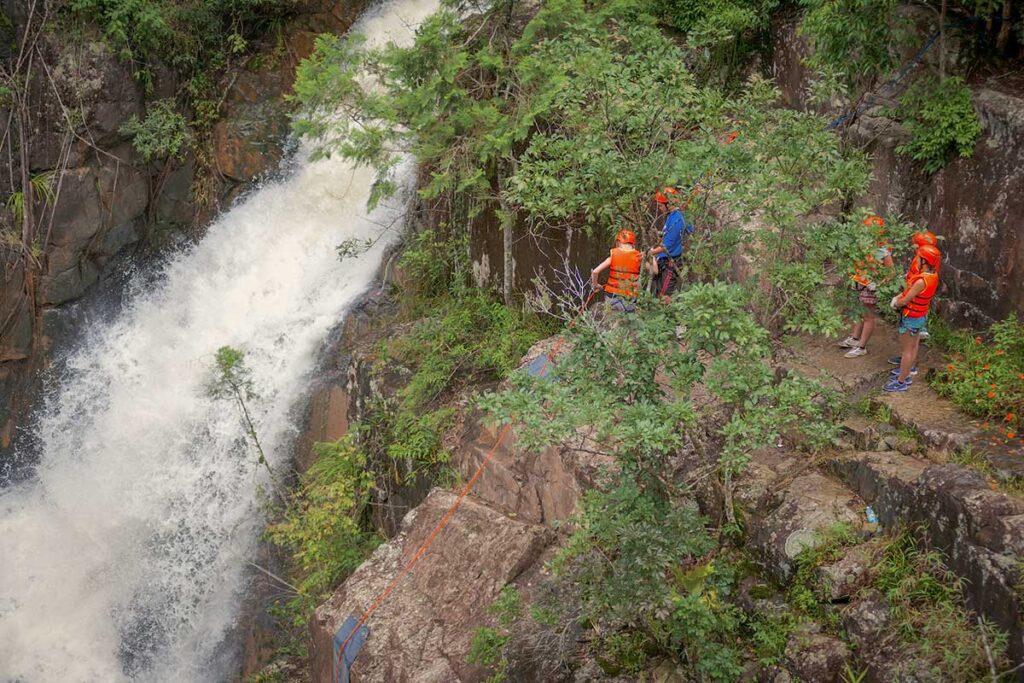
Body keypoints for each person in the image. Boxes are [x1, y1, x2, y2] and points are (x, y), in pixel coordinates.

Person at [884, 244, 941, 392]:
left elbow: (905, 300)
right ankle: (908, 370)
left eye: (920, 258)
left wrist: (895, 302)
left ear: (925, 261)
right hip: (920, 316)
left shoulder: (921, 281)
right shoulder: (932, 276)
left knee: (906, 350)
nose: (917, 260)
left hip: (910, 318)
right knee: (914, 346)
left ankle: (901, 381)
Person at [838, 215, 894, 358]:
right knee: (858, 312)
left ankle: (861, 347)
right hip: (858, 282)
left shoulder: (882, 250)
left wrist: (878, 284)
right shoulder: (862, 245)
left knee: (868, 317)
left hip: (870, 286)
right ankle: (855, 338)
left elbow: (891, 272)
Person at [591, 229, 654, 313]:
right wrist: (650, 255)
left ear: (618, 242)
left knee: (611, 318)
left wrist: (596, 285)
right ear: (633, 244)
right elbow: (655, 271)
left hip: (612, 294)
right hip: (629, 296)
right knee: (628, 319)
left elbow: (595, 272)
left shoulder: (613, 255)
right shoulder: (638, 257)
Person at [649, 186, 694, 298]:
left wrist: (649, 253)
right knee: (658, 293)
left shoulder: (676, 219)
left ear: (668, 204)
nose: (660, 209)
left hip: (670, 262)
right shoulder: (673, 216)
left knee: (664, 296)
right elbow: (689, 229)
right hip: (663, 260)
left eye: (660, 206)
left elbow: (667, 246)